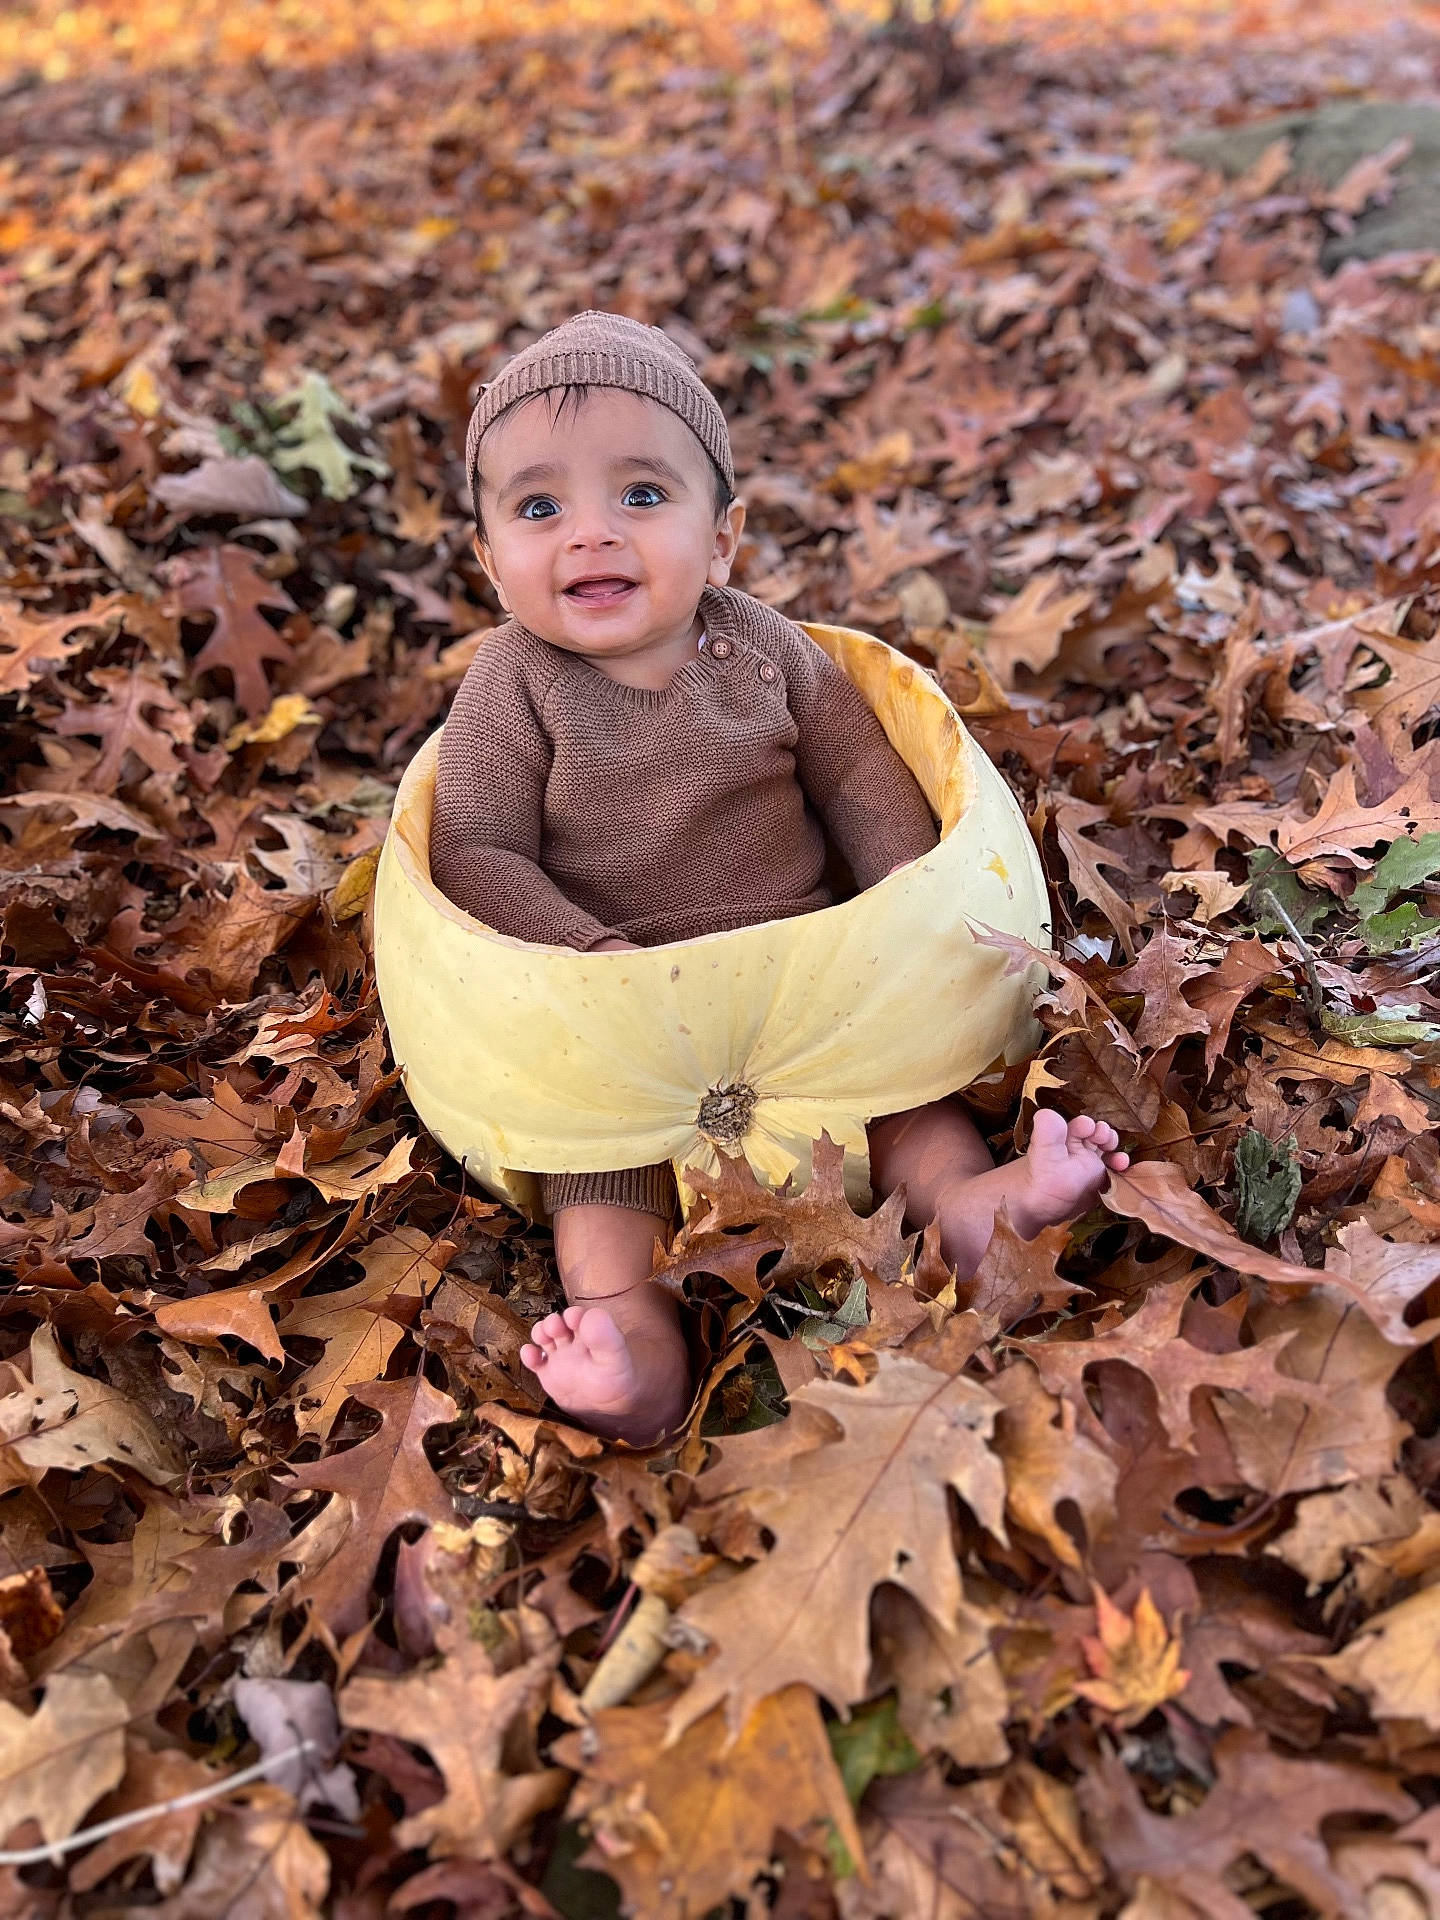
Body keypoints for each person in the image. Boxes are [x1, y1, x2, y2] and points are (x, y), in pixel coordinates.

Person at [430, 311, 1128, 1445]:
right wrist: (590, 958)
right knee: (603, 1195)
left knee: (910, 1108)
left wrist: (911, 898)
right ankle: (638, 1353)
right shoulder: (509, 689)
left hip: (816, 996)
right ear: (487, 557)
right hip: (615, 1026)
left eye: (643, 496)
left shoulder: (771, 651)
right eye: (539, 506)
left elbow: (860, 772)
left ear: (724, 537)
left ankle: (971, 1209)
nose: (591, 535)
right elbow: (475, 849)